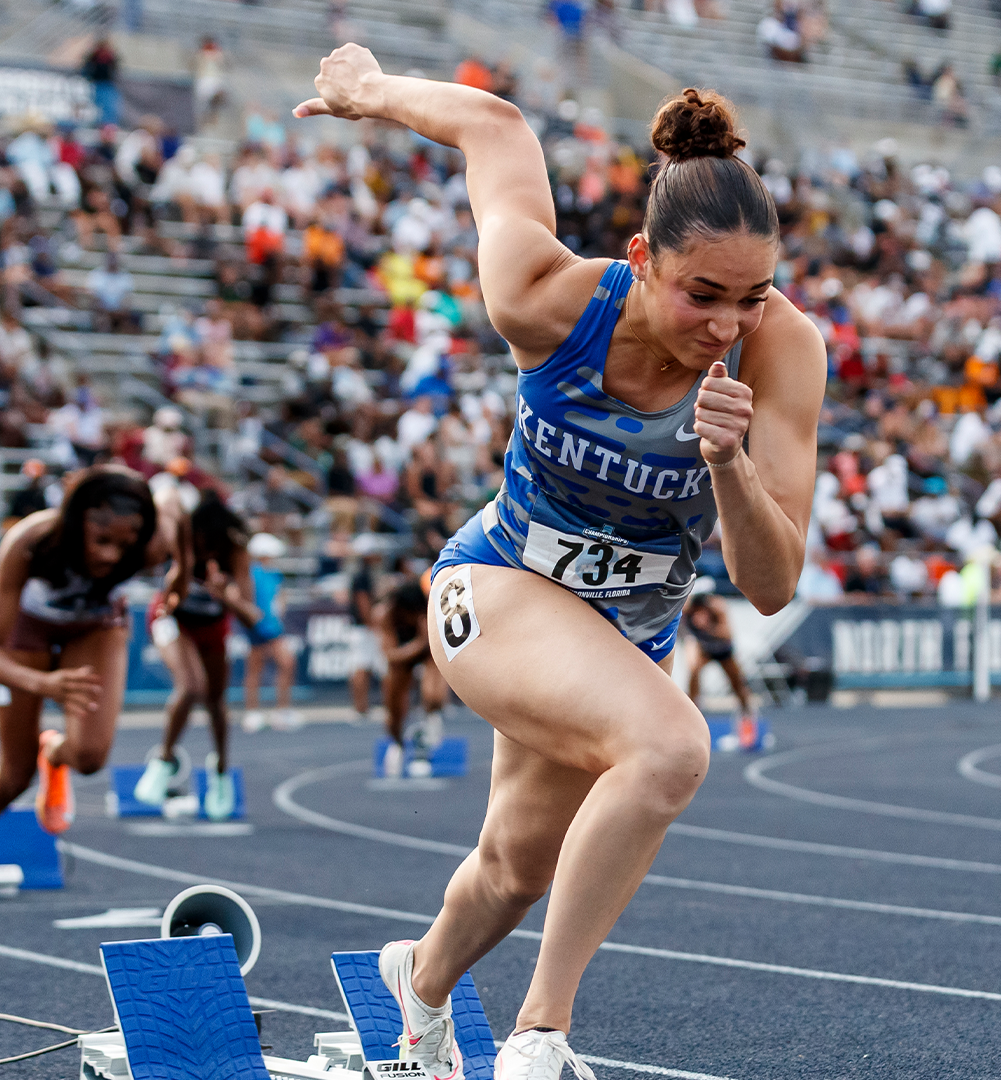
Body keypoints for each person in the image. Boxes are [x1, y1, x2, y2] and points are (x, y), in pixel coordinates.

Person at [296, 52, 824, 1078]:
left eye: (752, 297)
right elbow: (493, 129)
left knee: (513, 869)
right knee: (671, 749)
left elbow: (771, 582)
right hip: (498, 584)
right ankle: (540, 1037)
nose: (725, 326)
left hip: (617, 631)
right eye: (701, 296)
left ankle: (418, 985)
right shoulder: (547, 299)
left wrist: (730, 467)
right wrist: (367, 92)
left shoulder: (781, 351)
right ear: (639, 259)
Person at [0, 467, 186, 899]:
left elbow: (174, 506)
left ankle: (54, 753)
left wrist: (181, 572)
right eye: (102, 541)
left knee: (90, 757)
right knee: (14, 778)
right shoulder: (29, 542)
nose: (112, 557)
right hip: (27, 632)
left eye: (125, 545)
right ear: (75, 522)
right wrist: (43, 683)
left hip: (95, 628)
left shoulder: (149, 542)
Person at [135, 492, 263, 818]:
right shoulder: (185, 539)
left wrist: (226, 597)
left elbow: (252, 616)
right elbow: (170, 593)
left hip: (211, 625)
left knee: (217, 703)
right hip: (171, 616)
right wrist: (185, 564)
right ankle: (164, 761)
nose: (206, 547)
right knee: (191, 687)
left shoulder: (235, 553)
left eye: (211, 543)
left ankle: (220, 771)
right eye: (201, 539)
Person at [374, 571, 449, 777]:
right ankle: (396, 742)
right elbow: (390, 655)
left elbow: (433, 644)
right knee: (393, 703)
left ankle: (433, 717)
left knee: (433, 693)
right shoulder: (386, 615)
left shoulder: (427, 611)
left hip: (428, 652)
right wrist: (415, 645)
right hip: (403, 657)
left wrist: (420, 642)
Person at [681, 580, 758, 745]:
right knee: (693, 672)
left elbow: (727, 634)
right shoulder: (688, 608)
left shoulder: (717, 607)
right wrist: (690, 643)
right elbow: (681, 630)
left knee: (737, 684)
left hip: (723, 650)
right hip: (704, 649)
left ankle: (747, 716)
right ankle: (692, 714)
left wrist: (706, 627)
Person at [240, 533, 297, 732]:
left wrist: (279, 608)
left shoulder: (275, 574)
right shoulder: (251, 573)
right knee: (255, 668)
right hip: (257, 627)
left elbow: (279, 597)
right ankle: (252, 712)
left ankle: (281, 711)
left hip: (273, 628)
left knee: (287, 663)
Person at [346, 533, 385, 722]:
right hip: (363, 628)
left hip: (362, 627)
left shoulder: (362, 574)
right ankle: (359, 707)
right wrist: (372, 624)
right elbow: (362, 602)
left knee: (364, 666)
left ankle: (362, 707)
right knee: (361, 666)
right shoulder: (362, 576)